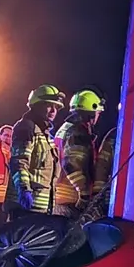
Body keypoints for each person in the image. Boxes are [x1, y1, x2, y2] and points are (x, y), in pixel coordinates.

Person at [53, 88, 116, 223]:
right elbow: (72, 164)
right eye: (98, 113)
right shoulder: (78, 132)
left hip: (60, 197)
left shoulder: (65, 129)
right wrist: (84, 195)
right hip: (71, 199)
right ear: (91, 113)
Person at [6, 85, 65, 220]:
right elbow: (19, 162)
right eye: (48, 105)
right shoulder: (26, 128)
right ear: (37, 106)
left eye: (56, 107)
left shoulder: (45, 134)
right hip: (25, 208)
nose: (53, 111)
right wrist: (24, 189)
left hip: (42, 208)